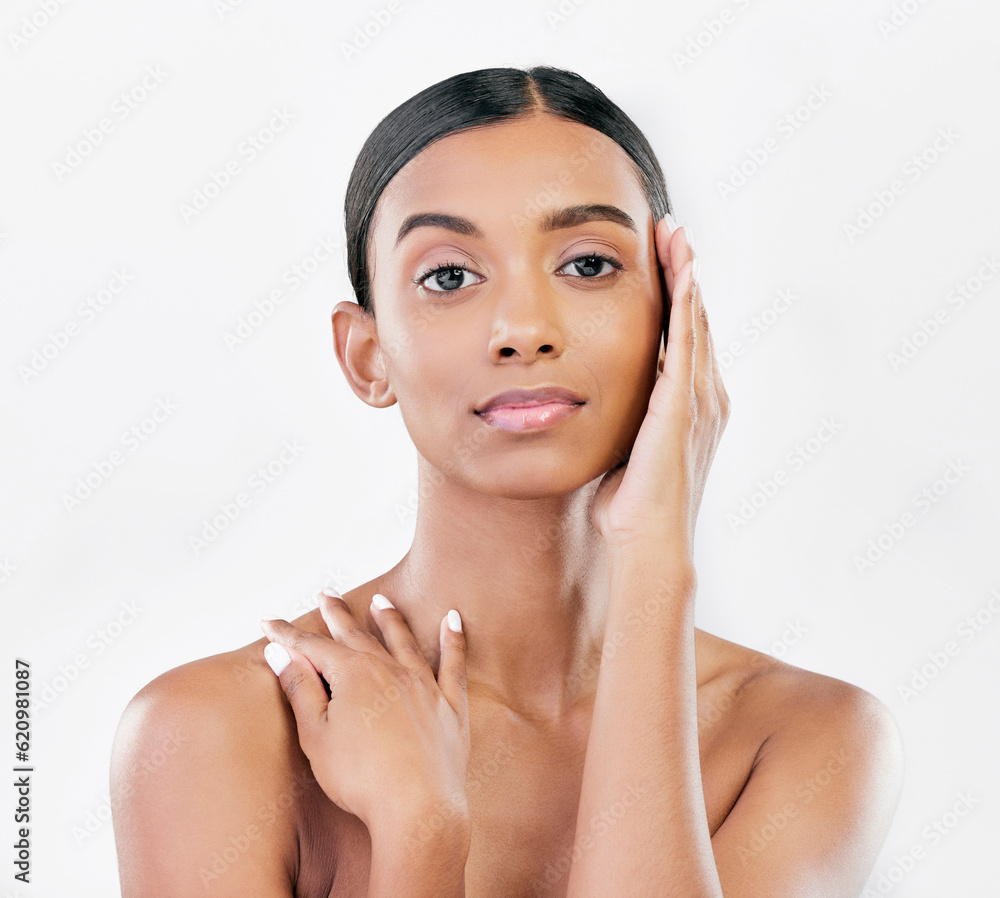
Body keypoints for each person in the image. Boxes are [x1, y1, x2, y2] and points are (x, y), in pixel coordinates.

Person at [110, 65, 904, 897]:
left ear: (675, 319)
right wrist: (424, 829)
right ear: (366, 355)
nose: (525, 329)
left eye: (589, 265)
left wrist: (656, 562)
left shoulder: (811, 740)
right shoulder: (213, 732)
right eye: (449, 276)